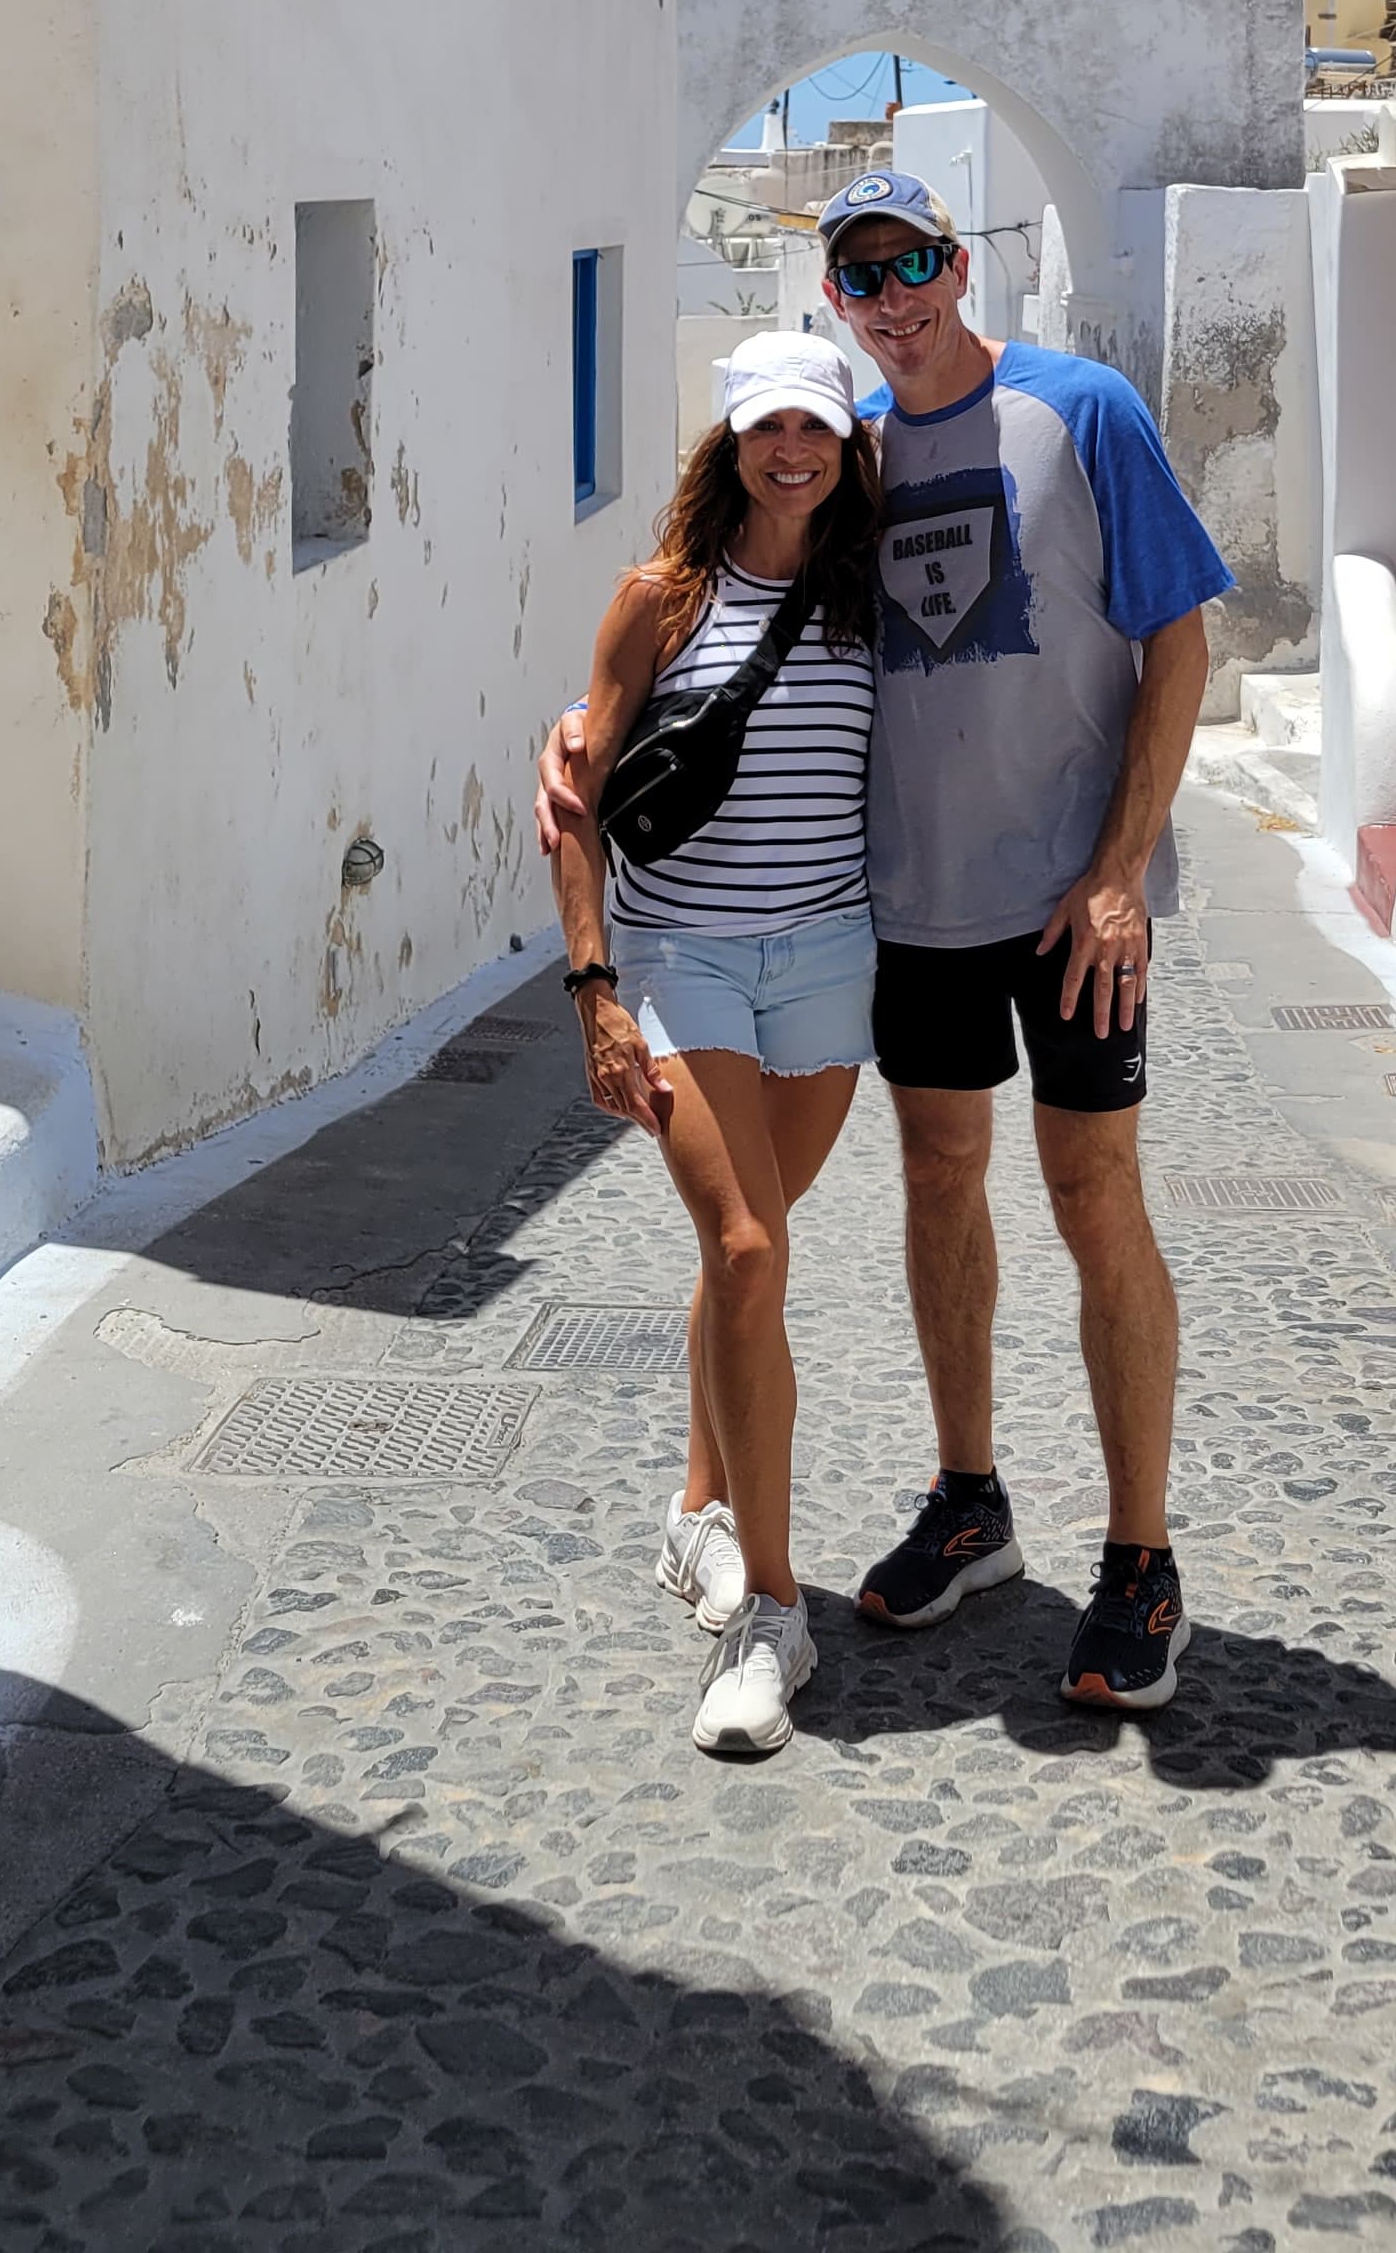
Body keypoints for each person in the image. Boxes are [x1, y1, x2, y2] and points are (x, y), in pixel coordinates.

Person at [546, 173, 1230, 1713]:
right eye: (863, 274)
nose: (895, 292)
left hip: (1070, 906)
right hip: (907, 916)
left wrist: (1121, 870)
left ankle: (1141, 1559)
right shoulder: (851, 469)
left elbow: (1180, 640)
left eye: (916, 260)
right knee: (938, 1182)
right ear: (840, 308)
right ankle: (968, 1495)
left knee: (1093, 1195)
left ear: (960, 264)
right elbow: (719, 631)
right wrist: (578, 739)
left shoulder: (1086, 410)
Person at [548, 327, 884, 1760]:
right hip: (684, 964)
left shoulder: (874, 594)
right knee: (749, 1253)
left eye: (817, 429)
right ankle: (775, 1620)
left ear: (845, 448)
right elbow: (575, 792)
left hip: (830, 964)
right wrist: (595, 986)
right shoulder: (663, 599)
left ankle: (696, 1513)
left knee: (745, 1254)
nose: (793, 452)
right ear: (730, 444)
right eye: (769, 431)